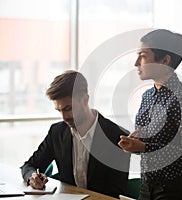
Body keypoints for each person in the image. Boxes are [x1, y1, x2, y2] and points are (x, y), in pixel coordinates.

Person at [118, 29, 182, 200]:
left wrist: (143, 147)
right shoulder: (147, 96)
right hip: (148, 185)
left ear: (164, 60)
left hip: (176, 190)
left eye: (143, 56)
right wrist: (137, 140)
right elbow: (157, 141)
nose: (136, 63)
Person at [21, 70, 130, 198]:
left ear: (85, 99)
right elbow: (29, 166)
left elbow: (116, 192)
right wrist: (32, 177)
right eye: (59, 110)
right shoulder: (57, 132)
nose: (64, 117)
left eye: (68, 108)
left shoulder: (117, 136)